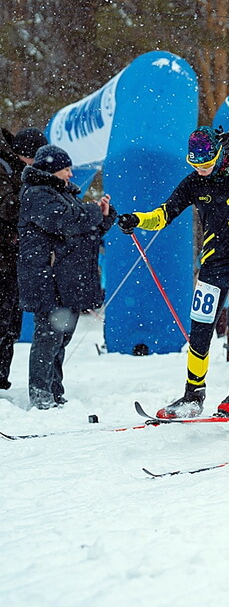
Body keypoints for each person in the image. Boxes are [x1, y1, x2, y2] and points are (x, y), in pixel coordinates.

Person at [117, 126, 229, 418]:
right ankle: (193, 396)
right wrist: (137, 219)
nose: (202, 170)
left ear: (218, 155)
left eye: (206, 164)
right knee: (200, 330)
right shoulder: (193, 183)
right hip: (213, 265)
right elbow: (164, 214)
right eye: (196, 165)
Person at [18, 144, 115, 409]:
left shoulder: (60, 193)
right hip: (47, 279)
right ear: (51, 169)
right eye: (66, 169)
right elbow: (65, 221)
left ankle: (54, 392)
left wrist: (103, 218)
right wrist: (94, 212)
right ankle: (41, 395)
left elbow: (81, 231)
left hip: (64, 280)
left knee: (60, 338)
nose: (71, 174)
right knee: (48, 339)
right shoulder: (38, 194)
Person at [0, 127, 47, 391]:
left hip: (13, 261)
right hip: (4, 259)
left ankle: (1, 380)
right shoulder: (6, 169)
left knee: (10, 327)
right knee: (3, 324)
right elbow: (8, 208)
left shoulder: (18, 170)